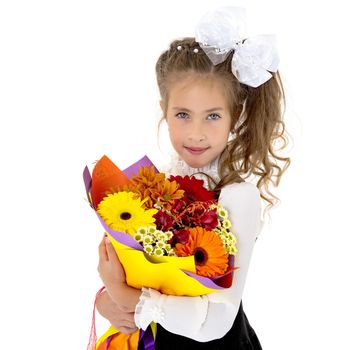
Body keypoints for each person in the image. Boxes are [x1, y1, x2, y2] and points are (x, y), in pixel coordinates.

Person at [95, 6, 290, 349]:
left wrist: (124, 296)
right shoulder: (155, 185)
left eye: (212, 116)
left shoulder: (237, 197)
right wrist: (105, 300)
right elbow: (137, 271)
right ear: (164, 112)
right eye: (183, 114)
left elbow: (215, 324)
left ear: (236, 115)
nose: (196, 133)